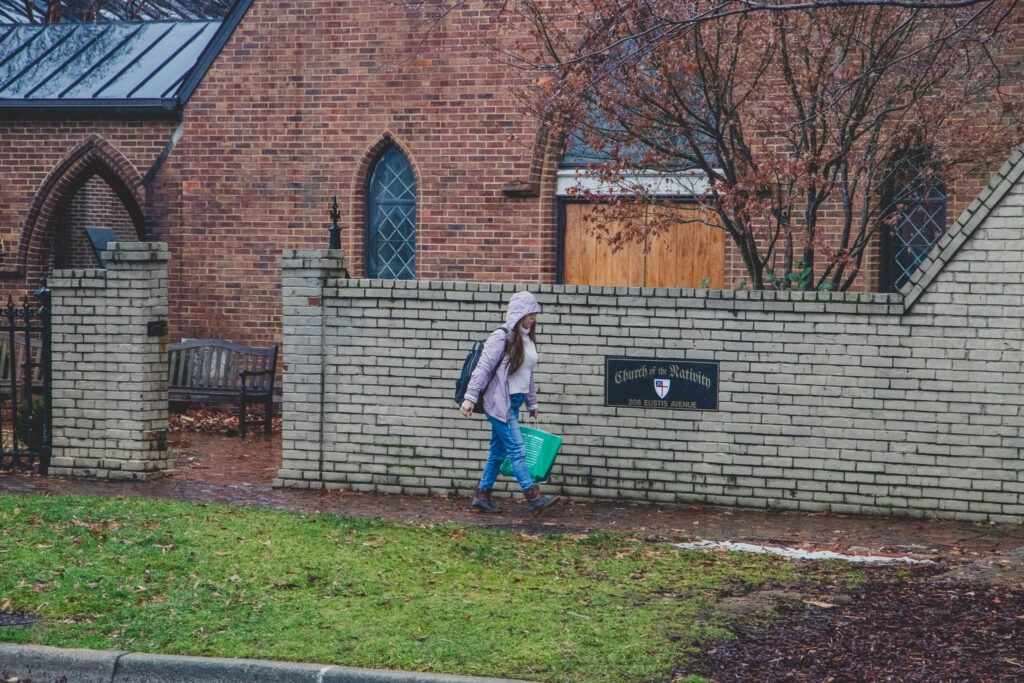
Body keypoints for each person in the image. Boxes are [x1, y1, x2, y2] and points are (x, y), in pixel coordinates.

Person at [460, 291, 560, 515]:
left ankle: (481, 496)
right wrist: (469, 397)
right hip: (499, 404)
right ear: (518, 314)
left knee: (497, 453)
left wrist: (531, 404)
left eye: (535, 313)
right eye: (530, 312)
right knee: (517, 449)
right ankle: (533, 497)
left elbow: (528, 373)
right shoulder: (501, 337)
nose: (534, 317)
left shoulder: (527, 339)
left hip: (514, 402)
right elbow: (483, 369)